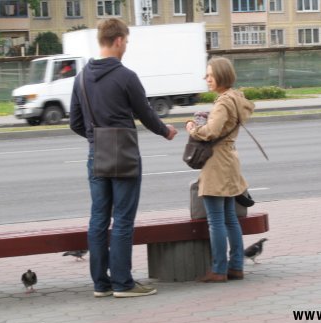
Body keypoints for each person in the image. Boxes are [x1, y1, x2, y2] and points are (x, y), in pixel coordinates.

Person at [69, 18, 177, 298]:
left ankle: (100, 285)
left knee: (98, 219)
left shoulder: (80, 78)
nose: (126, 47)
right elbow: (146, 113)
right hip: (125, 155)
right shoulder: (126, 76)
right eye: (126, 41)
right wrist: (166, 131)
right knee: (123, 220)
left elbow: (75, 123)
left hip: (96, 155)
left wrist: (96, 139)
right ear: (118, 40)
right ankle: (123, 284)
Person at [185, 57, 254, 282]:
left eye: (210, 75)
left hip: (216, 163)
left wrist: (194, 129)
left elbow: (212, 131)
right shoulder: (236, 98)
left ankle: (218, 269)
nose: (207, 79)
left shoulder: (223, 102)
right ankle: (236, 266)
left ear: (221, 76)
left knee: (216, 220)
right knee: (230, 219)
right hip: (230, 160)